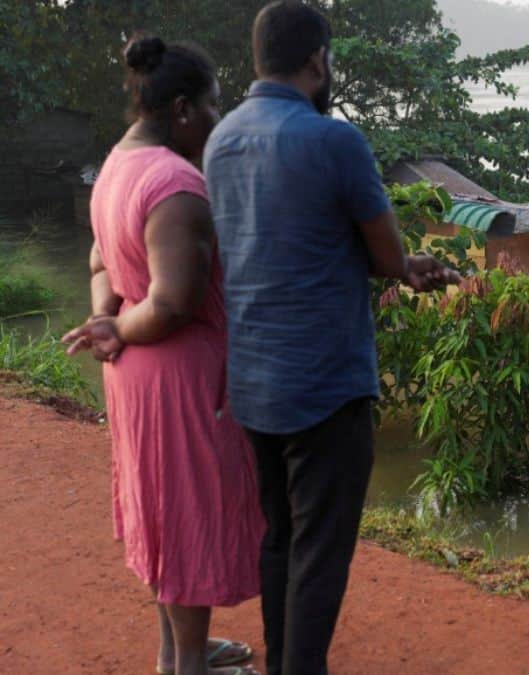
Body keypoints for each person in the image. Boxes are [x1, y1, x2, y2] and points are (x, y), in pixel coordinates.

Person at [203, 3, 459, 673]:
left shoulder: (221, 138)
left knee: (280, 538)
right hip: (325, 386)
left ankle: (285, 660)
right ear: (317, 58)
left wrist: (397, 265)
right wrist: (406, 266)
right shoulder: (333, 139)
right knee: (320, 551)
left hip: (253, 383)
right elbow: (384, 253)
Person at [62, 36, 264, 675]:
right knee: (187, 518)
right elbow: (174, 301)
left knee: (166, 514)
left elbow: (101, 261)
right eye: (211, 105)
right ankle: (186, 668)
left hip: (137, 376)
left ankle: (180, 651)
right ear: (181, 108)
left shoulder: (118, 164)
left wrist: (106, 317)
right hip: (178, 377)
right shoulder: (177, 184)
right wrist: (120, 327)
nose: (216, 118)